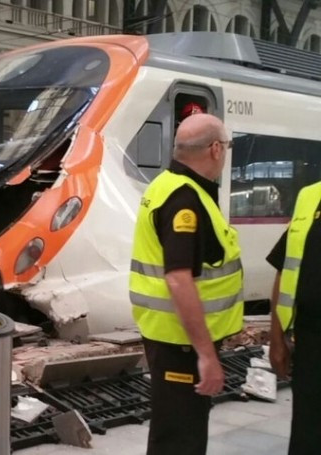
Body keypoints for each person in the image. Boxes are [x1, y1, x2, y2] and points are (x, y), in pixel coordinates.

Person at [129, 113, 243, 455]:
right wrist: (206, 355)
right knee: (181, 440)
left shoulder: (165, 185)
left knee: (175, 431)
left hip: (170, 337)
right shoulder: (185, 200)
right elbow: (179, 279)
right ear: (214, 149)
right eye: (226, 146)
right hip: (181, 344)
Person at [267, 182, 321, 454]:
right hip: (310, 345)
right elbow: (284, 268)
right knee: (307, 434)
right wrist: (276, 339)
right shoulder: (310, 197)